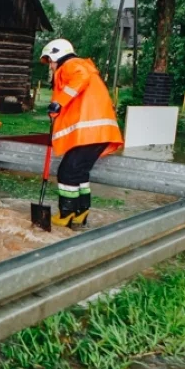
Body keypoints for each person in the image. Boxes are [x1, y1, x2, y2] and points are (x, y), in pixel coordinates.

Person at [39, 38, 124, 228]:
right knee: (79, 171)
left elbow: (81, 76)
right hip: (98, 132)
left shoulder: (72, 65)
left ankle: (66, 213)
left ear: (57, 56)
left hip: (91, 132)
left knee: (67, 172)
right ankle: (81, 211)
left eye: (50, 61)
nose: (50, 66)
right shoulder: (77, 68)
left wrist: (58, 101)